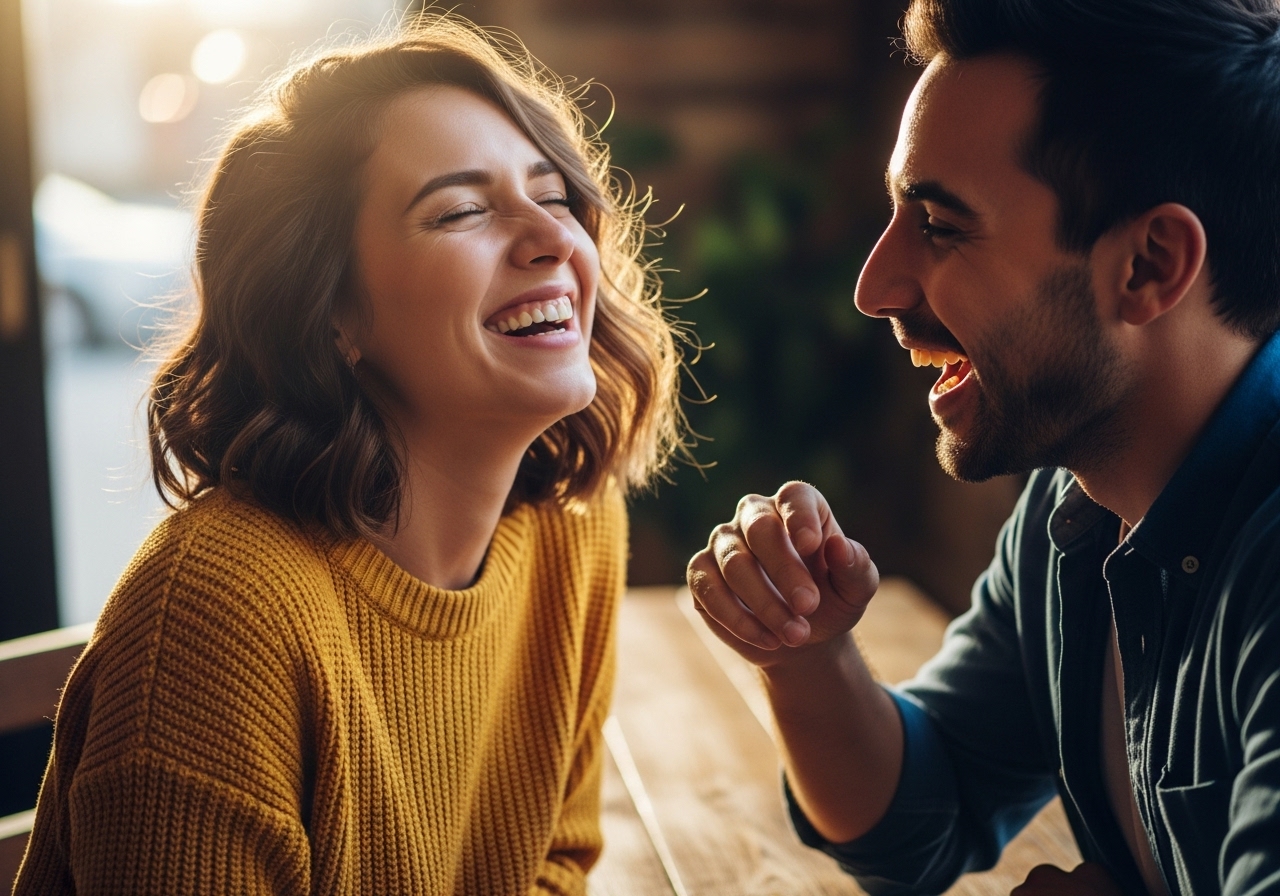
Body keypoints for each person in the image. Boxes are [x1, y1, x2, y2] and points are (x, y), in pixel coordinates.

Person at [15, 14, 686, 896]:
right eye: (461, 210)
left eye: (553, 194)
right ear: (332, 314)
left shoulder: (571, 520)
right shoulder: (219, 618)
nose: (556, 240)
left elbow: (553, 861)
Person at [686, 0, 1280, 894]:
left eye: (940, 225)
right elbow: (928, 814)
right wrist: (801, 651)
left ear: (1151, 264)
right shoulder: (1075, 503)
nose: (873, 287)